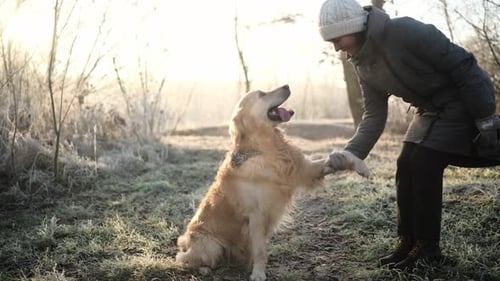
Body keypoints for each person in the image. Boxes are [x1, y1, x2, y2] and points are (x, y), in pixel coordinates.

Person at [318, 0, 500, 270]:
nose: (336, 47)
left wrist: (485, 119)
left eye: (337, 38)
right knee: (405, 164)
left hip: (461, 101)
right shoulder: (362, 63)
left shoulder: (405, 32)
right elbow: (374, 115)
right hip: (428, 110)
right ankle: (409, 241)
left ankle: (428, 249)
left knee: (424, 163)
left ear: (354, 27)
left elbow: (465, 66)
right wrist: (350, 154)